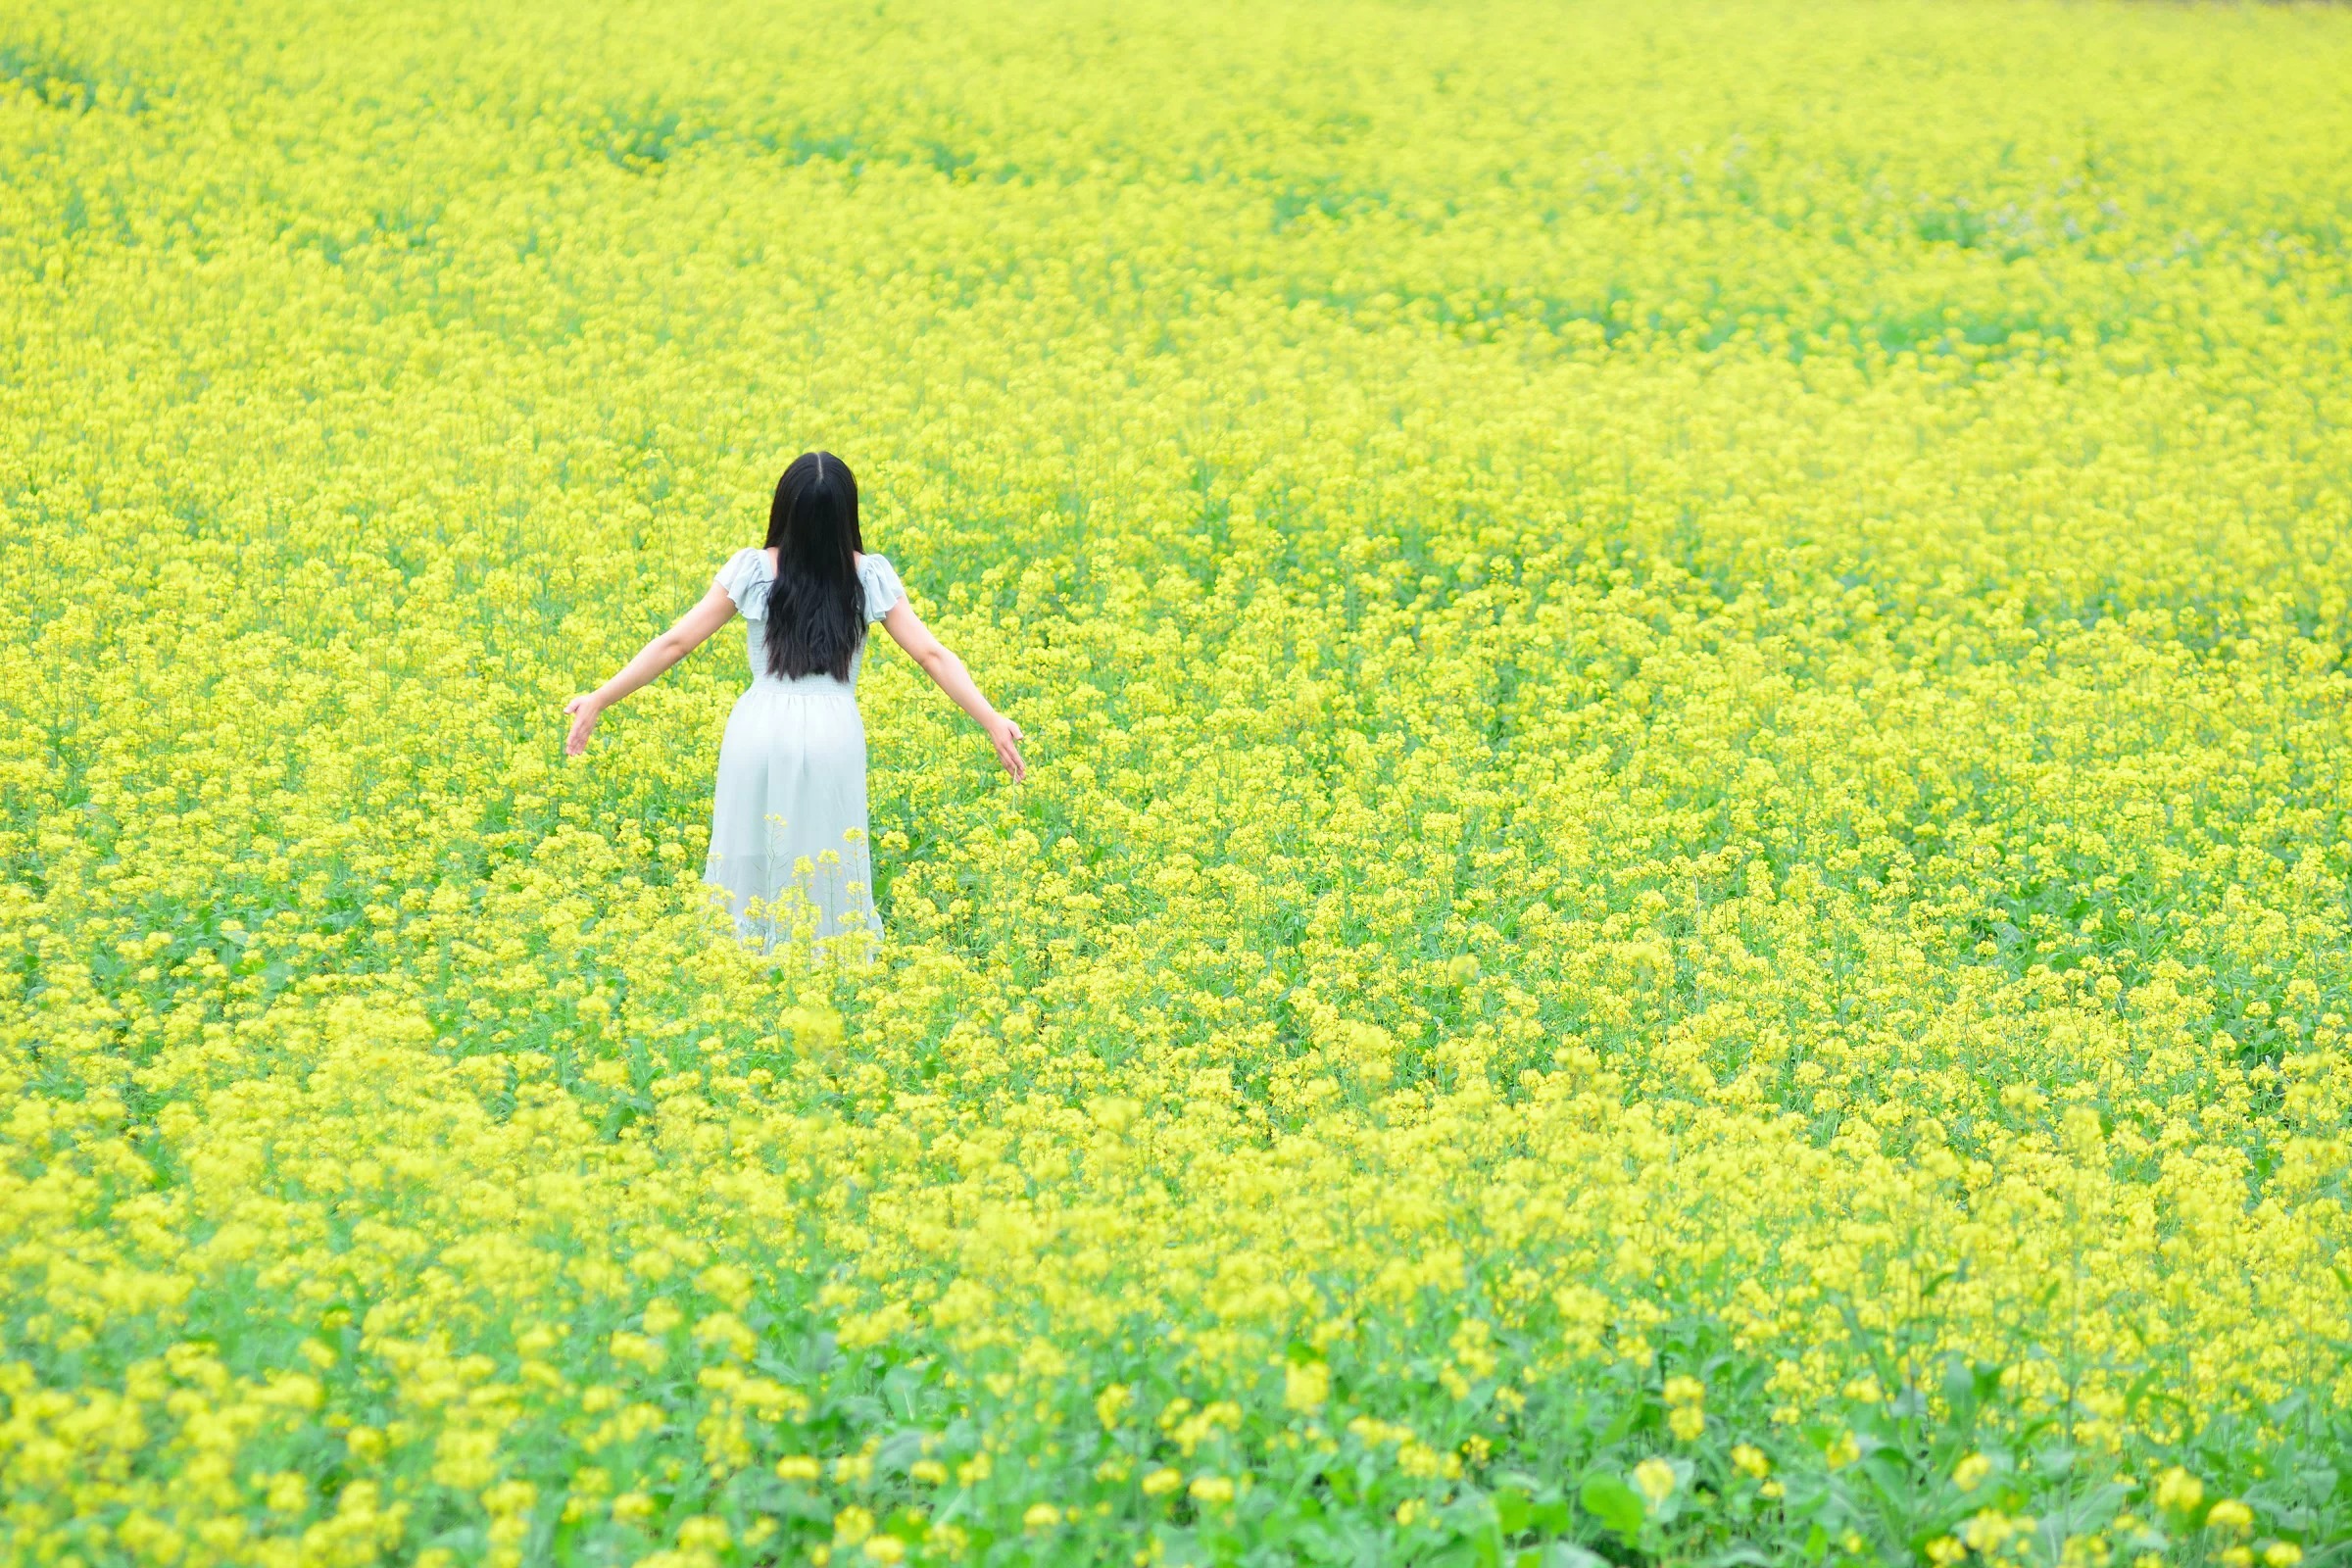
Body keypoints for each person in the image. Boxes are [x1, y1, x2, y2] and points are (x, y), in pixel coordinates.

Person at [563, 451, 1026, 957]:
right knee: (826, 854)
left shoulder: (753, 569)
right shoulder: (867, 575)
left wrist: (601, 696)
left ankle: (741, 962)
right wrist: (992, 718)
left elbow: (676, 643)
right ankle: (824, 960)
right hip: (834, 731)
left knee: (749, 848)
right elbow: (932, 655)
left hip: (758, 726)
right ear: (848, 516)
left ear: (783, 509)